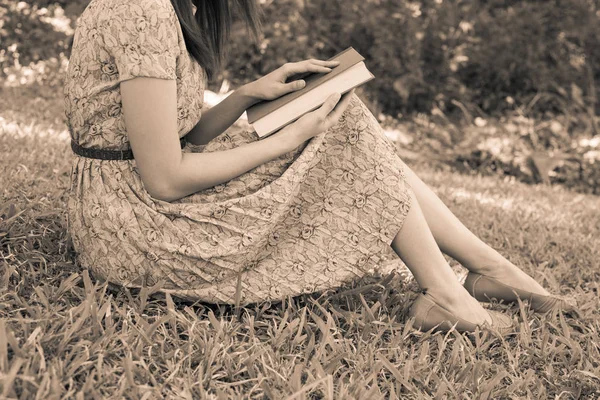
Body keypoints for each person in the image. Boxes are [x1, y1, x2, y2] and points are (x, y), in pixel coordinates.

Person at [64, 0, 575, 334]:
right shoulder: (141, 11)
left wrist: (247, 95)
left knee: (340, 114)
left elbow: (179, 136)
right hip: (134, 225)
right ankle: (451, 293)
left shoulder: (170, 7)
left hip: (139, 196)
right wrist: (284, 140)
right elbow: (165, 177)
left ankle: (484, 270)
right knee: (339, 129)